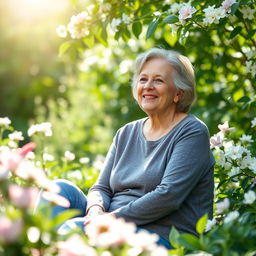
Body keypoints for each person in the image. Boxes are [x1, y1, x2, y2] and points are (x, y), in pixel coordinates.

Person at [46, 48, 215, 249]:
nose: (148, 86)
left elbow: (168, 196)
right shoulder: (126, 132)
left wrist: (110, 220)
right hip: (112, 221)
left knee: (74, 228)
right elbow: (102, 188)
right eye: (143, 79)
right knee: (57, 190)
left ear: (178, 93)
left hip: (159, 236)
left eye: (158, 80)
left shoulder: (192, 131)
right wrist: (95, 210)